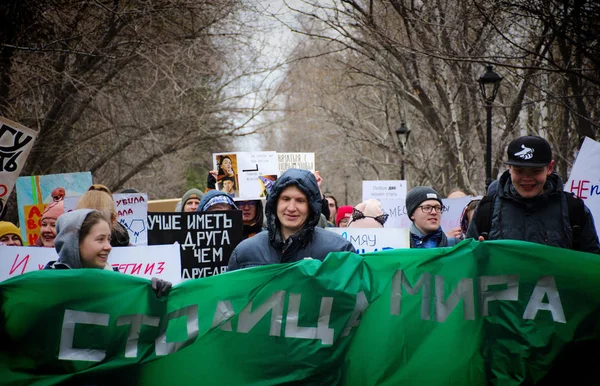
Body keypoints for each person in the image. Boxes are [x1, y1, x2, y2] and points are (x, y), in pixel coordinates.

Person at [467, 136, 600, 253]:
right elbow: (468, 264)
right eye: (519, 171)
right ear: (509, 168)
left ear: (550, 168)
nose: (527, 179)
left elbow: (591, 265)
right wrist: (478, 255)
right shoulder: (487, 210)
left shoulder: (574, 210)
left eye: (535, 171)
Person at [227, 168, 355, 271]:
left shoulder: (339, 250)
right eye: (286, 199)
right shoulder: (245, 252)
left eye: (300, 200)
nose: (291, 208)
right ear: (275, 203)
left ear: (311, 207)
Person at [44, 209, 171, 297]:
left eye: (108, 239)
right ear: (74, 243)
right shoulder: (44, 285)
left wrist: (155, 295)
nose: (109, 247)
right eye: (100, 239)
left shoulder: (118, 282)